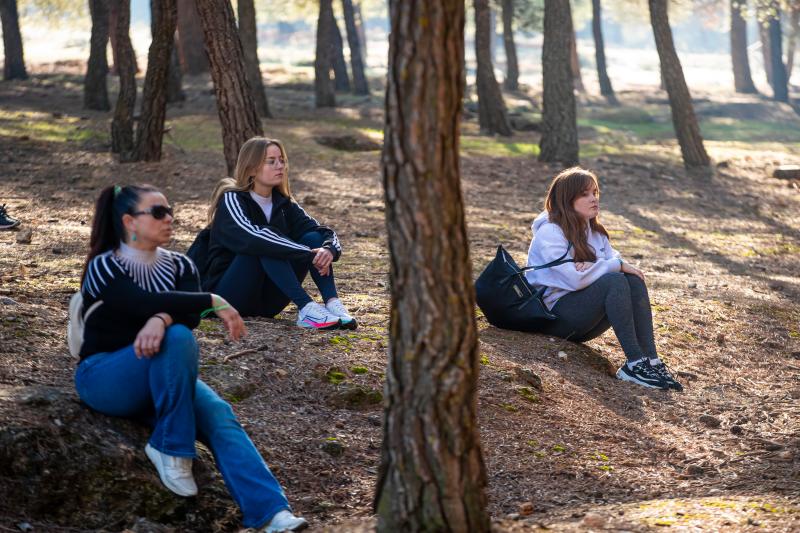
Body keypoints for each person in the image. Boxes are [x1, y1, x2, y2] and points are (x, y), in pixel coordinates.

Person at [75, 184, 308, 532]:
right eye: (158, 213)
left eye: (170, 210)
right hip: (105, 376)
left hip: (165, 373)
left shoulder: (180, 265)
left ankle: (272, 514)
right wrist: (210, 299)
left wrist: (162, 318)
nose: (169, 218)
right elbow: (136, 301)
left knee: (219, 413)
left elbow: (186, 315)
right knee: (179, 336)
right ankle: (172, 446)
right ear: (129, 221)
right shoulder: (104, 266)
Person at [525, 167, 682, 391]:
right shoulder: (550, 232)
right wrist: (609, 266)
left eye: (595, 192)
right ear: (566, 200)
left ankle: (651, 361)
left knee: (633, 280)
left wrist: (595, 266)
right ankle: (634, 364)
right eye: (584, 194)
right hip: (554, 318)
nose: (593, 199)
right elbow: (575, 280)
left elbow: (614, 261)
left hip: (584, 319)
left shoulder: (595, 232)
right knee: (614, 280)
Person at [200, 137, 356, 330]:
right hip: (229, 299)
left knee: (313, 238)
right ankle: (306, 307)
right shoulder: (232, 200)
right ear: (251, 169)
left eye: (282, 160)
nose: (280, 166)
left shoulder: (283, 204)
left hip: (268, 303)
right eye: (271, 161)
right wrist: (308, 254)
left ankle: (332, 303)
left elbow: (320, 231)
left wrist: (329, 250)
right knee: (267, 241)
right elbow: (254, 238)